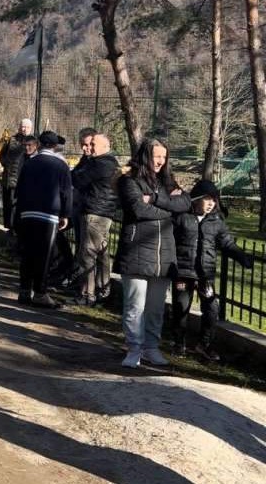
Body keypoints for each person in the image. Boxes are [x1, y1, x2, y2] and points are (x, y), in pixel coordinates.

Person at [115, 138, 190, 368]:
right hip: (137, 251)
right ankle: (134, 348)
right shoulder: (130, 181)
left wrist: (157, 199)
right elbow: (138, 209)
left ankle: (151, 347)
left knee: (156, 308)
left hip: (164, 256)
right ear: (146, 156)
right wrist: (169, 208)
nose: (160, 161)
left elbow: (185, 203)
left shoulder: (167, 182)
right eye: (157, 156)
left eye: (164, 157)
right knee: (135, 306)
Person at [172, 180, 250, 361]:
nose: (211, 204)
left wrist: (241, 257)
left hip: (205, 275)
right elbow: (170, 240)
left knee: (212, 308)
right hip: (183, 272)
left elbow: (226, 243)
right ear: (197, 199)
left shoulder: (216, 221)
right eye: (207, 199)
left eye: (214, 200)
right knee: (181, 308)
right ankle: (179, 343)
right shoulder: (182, 216)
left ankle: (204, 345)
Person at [14, 131, 72, 309]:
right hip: (48, 214)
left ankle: (24, 290)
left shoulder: (30, 163)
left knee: (28, 253)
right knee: (44, 255)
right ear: (55, 146)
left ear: (39, 144)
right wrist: (66, 214)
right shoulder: (60, 165)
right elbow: (66, 191)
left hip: (27, 212)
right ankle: (40, 292)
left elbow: (19, 187)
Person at [70, 133, 119, 306]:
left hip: (95, 212)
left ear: (106, 146)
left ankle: (87, 294)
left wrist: (83, 164)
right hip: (100, 211)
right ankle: (101, 290)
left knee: (88, 254)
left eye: (93, 144)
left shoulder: (101, 163)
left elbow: (77, 178)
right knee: (101, 253)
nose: (89, 148)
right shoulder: (104, 162)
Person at [0, 118, 32, 235]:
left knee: (20, 207)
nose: (24, 129)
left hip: (26, 180)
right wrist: (7, 164)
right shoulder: (11, 140)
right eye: (23, 126)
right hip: (11, 178)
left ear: (30, 129)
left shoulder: (33, 142)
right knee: (10, 205)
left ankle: (18, 230)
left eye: (27, 127)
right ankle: (11, 229)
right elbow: (1, 155)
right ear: (19, 127)